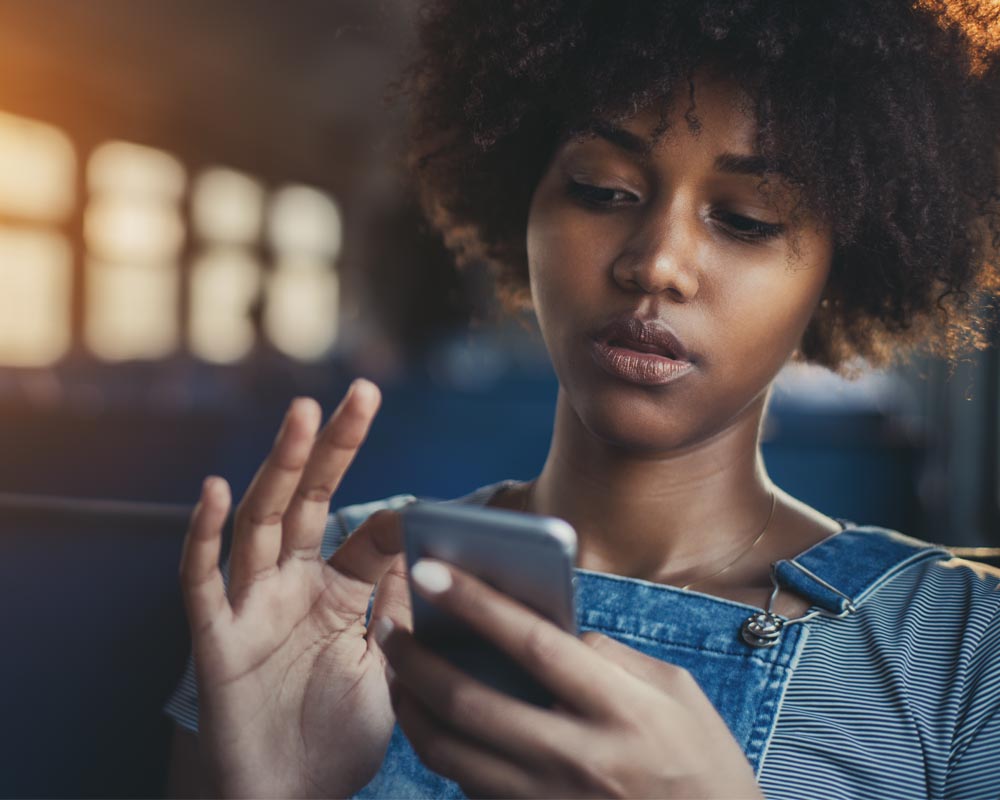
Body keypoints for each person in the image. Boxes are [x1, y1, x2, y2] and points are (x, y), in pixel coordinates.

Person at [165, 1, 1000, 797]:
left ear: (837, 272)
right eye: (603, 190)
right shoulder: (335, 582)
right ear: (521, 208)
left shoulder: (962, 651)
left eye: (746, 219)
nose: (656, 263)